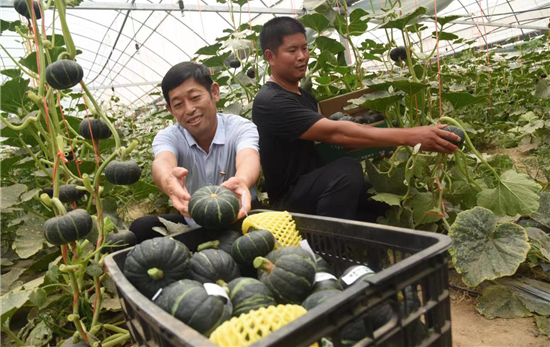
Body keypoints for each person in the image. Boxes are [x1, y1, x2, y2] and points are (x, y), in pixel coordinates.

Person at [252, 17, 461, 222]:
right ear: (270, 57)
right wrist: (411, 136)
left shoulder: (305, 97)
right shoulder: (270, 101)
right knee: (347, 170)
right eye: (292, 50)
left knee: (377, 202)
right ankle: (327, 246)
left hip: (319, 186)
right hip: (290, 200)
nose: (302, 56)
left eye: (305, 48)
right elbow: (335, 132)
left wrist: (376, 148)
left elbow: (325, 145)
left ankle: (361, 244)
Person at [129, 62, 260, 243]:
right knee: (141, 228)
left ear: (214, 92)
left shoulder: (240, 127)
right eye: (179, 104)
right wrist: (168, 181)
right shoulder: (169, 137)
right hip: (195, 223)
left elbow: (248, 156)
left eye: (195, 97)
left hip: (240, 216)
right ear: (170, 110)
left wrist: (243, 181)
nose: (189, 109)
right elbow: (162, 161)